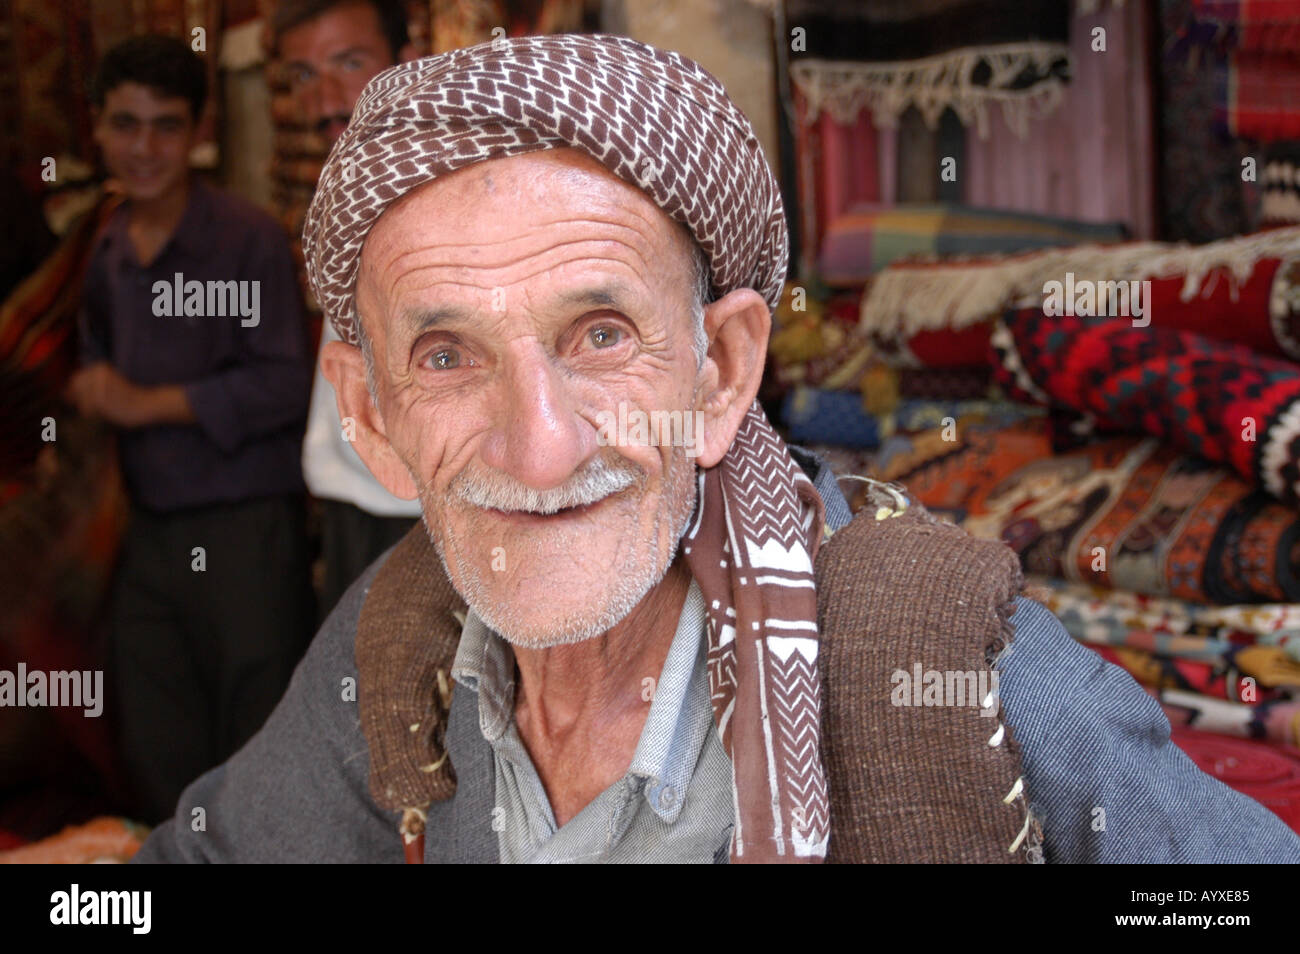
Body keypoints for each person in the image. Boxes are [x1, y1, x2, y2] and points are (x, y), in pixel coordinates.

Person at [134, 34, 1300, 862]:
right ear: (370, 414)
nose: (540, 452)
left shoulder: (943, 657)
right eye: (447, 356)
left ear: (723, 370)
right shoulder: (402, 635)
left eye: (600, 335)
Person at [69, 35, 314, 823]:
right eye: (126, 124)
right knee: (156, 740)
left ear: (198, 129)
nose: (145, 148)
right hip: (148, 534)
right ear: (97, 129)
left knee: (259, 736)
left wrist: (144, 403)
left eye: (166, 126)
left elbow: (284, 383)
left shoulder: (243, 240)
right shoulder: (102, 246)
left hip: (245, 527)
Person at [272, 0, 421, 620]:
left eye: (348, 63)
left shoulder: (436, 187)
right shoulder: (347, 184)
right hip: (356, 505)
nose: (326, 97)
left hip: (416, 516)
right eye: (305, 75)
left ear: (404, 63)